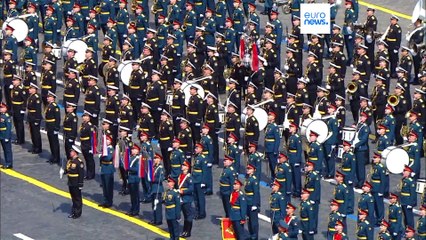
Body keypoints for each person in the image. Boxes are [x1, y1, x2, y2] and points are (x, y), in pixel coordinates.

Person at [65, 145, 84, 219]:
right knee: (73, 198)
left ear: (75, 153)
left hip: (76, 182)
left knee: (77, 198)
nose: (70, 152)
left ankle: (77, 213)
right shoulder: (70, 161)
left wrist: (80, 184)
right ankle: (74, 212)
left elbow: (81, 174)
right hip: (71, 182)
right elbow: (68, 169)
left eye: (72, 151)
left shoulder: (79, 162)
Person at [192, 143, 208, 220]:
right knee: (195, 197)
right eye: (195, 148)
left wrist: (203, 182)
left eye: (197, 148)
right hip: (195, 179)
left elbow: (205, 171)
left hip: (200, 179)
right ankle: (197, 211)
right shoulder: (196, 157)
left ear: (201, 149)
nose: (195, 150)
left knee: (200, 198)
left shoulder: (203, 158)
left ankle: (202, 213)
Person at [98, 136, 115, 208]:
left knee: (108, 187)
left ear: (110, 141)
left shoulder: (110, 149)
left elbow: (108, 158)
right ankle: (105, 201)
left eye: (108, 140)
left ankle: (109, 202)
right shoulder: (105, 149)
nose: (106, 141)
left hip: (108, 168)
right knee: (104, 186)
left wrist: (101, 156)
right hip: (104, 168)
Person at [179, 160, 194, 238]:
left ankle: (188, 231)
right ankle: (184, 230)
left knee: (188, 215)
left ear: (187, 168)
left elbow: (191, 188)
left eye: (184, 165)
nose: (182, 166)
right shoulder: (181, 175)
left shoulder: (189, 177)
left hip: (187, 198)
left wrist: (183, 191)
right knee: (185, 215)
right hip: (181, 198)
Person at [45, 91, 61, 165]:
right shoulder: (49, 105)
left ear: (53, 98)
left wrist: (56, 128)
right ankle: (53, 155)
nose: (47, 98)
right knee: (51, 142)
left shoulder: (55, 106)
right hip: (49, 125)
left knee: (54, 142)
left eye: (49, 97)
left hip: (53, 125)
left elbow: (57, 118)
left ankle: (56, 157)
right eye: (47, 97)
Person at [26, 83, 42, 154]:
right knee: (32, 133)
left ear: (34, 89)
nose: (29, 90)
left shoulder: (37, 97)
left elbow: (38, 110)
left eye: (30, 88)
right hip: (31, 116)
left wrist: (37, 120)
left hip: (35, 117)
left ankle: (38, 148)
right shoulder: (31, 96)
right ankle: (34, 146)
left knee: (36, 134)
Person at [245, 164, 260, 239]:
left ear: (253, 170)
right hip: (247, 201)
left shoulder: (254, 179)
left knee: (253, 221)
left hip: (251, 202)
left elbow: (256, 193)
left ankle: (255, 236)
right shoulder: (248, 178)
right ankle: (251, 234)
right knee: (249, 220)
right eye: (247, 169)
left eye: (249, 169)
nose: (247, 170)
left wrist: (255, 204)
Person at [264, 112, 280, 180]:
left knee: (274, 165)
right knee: (270, 165)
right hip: (268, 148)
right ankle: (272, 178)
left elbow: (277, 139)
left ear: (273, 117)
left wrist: (275, 150)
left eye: (270, 115)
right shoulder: (268, 126)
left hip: (272, 148)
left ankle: (276, 179)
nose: (268, 116)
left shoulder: (275, 127)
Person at [150, 154, 165, 225]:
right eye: (154, 158)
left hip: (157, 188)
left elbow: (161, 178)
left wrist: (153, 179)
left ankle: (158, 220)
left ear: (159, 159)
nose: (154, 160)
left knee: (157, 205)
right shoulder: (154, 167)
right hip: (153, 188)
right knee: (153, 204)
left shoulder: (160, 168)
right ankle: (155, 218)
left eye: (156, 158)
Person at [127, 144, 141, 216]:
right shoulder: (131, 157)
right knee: (132, 195)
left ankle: (136, 210)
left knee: (135, 195)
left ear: (137, 151)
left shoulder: (138, 159)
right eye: (132, 149)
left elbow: (137, 169)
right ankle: (132, 208)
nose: (132, 150)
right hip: (131, 178)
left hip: (135, 179)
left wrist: (129, 168)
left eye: (133, 149)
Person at [0, 103, 13, 169]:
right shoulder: (1, 115)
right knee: (4, 149)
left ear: (5, 108)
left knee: (7, 150)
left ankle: (9, 163)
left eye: (2, 108)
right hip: (1, 134)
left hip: (5, 134)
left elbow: (8, 128)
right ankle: (7, 162)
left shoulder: (7, 116)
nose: (0, 109)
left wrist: (7, 137)